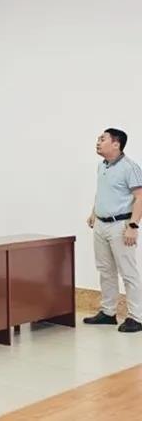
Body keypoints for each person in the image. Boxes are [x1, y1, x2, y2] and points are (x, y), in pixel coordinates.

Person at [84, 128, 142, 333]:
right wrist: (94, 212)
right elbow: (102, 192)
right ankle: (108, 313)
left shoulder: (130, 167)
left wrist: (133, 226)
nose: (98, 142)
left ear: (116, 144)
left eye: (103, 139)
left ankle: (137, 317)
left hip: (121, 226)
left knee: (128, 272)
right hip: (101, 225)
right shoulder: (102, 166)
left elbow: (140, 197)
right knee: (105, 270)